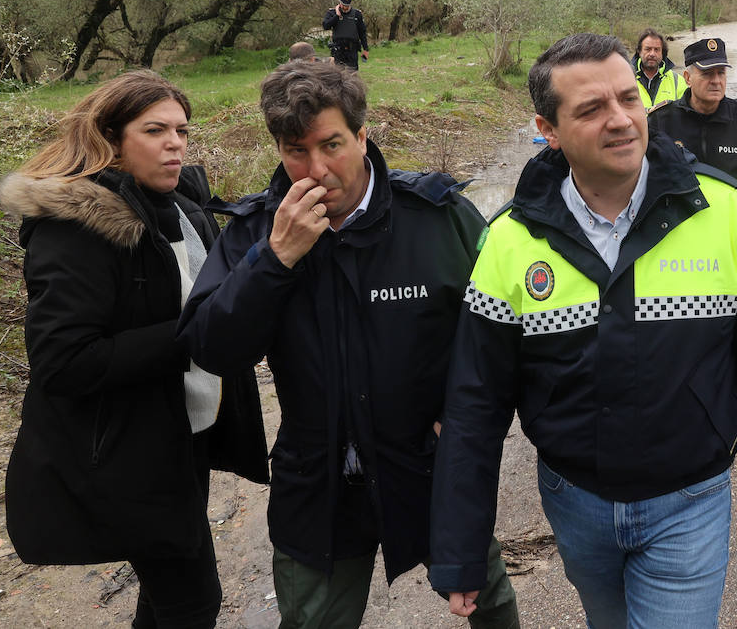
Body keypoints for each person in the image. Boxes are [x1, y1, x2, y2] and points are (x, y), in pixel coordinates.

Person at [428, 33, 737, 628]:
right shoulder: (510, 239)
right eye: (590, 109)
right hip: (574, 503)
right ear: (548, 128)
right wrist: (459, 546)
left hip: (690, 501)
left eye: (628, 99)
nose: (620, 121)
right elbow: (475, 400)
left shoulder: (724, 211)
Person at [179, 61, 519, 629]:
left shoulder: (435, 217)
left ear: (363, 135)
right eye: (295, 151)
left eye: (332, 145)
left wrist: (459, 420)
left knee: (492, 609)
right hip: (319, 485)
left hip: (430, 471)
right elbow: (212, 350)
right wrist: (276, 260)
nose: (316, 170)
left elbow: (499, 334)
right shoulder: (256, 232)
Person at [0, 70, 268, 628]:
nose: (175, 143)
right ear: (111, 138)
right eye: (155, 130)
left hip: (179, 434)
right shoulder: (77, 227)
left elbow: (207, 290)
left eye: (182, 131)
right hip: (127, 449)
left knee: (172, 594)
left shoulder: (177, 206)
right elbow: (63, 361)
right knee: (192, 601)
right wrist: (196, 332)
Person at [647, 36, 737, 241]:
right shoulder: (662, 121)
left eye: (721, 73)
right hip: (678, 231)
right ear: (687, 78)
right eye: (707, 73)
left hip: (731, 230)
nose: (716, 80)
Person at [632, 27, 685, 108]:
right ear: (639, 51)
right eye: (648, 49)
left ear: (662, 53)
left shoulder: (677, 82)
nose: (652, 54)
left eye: (656, 50)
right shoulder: (626, 79)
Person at [323, 0, 368, 70]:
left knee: (352, 74)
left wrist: (365, 49)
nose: (345, 7)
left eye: (347, 6)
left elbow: (362, 32)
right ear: (340, 3)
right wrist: (337, 16)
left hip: (352, 50)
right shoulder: (332, 13)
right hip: (338, 50)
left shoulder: (357, 14)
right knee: (338, 74)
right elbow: (326, 26)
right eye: (343, 5)